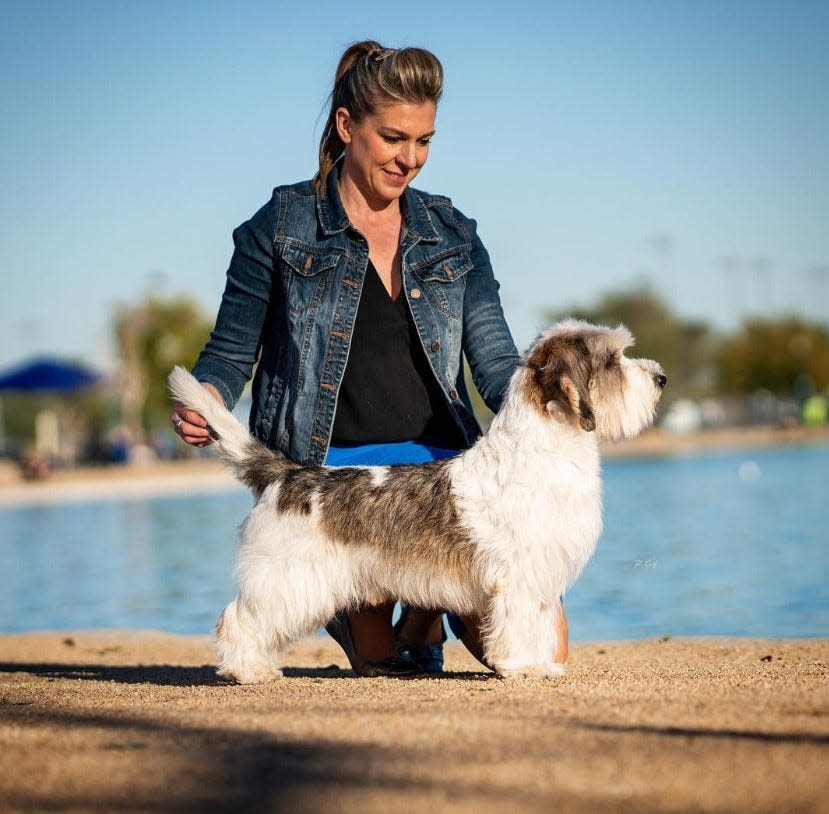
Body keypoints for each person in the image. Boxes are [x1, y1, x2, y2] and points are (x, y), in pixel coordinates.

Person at [172, 40, 568, 676]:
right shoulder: (276, 227)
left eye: (425, 141)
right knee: (382, 667)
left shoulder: (455, 234)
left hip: (446, 481)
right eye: (393, 137)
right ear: (346, 125)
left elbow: (496, 364)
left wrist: (556, 394)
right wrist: (208, 400)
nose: (409, 158)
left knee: (548, 647)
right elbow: (228, 352)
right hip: (335, 484)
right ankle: (404, 611)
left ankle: (423, 609)